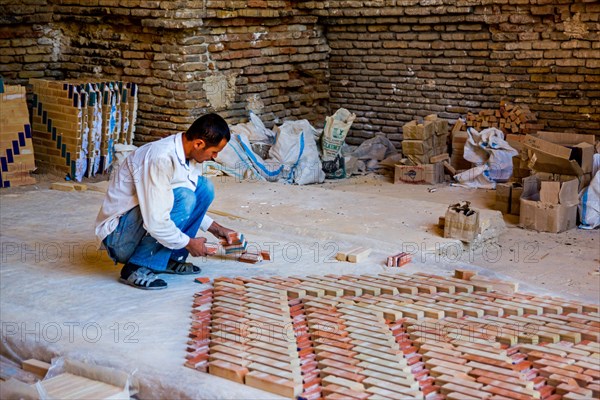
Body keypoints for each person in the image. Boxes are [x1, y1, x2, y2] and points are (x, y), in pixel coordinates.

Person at [95, 113, 235, 290]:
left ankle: (169, 258)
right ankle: (136, 267)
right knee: (185, 196)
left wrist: (217, 229)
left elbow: (180, 205)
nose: (214, 156)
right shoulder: (160, 158)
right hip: (119, 238)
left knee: (204, 188)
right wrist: (189, 243)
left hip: (142, 224)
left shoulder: (190, 156)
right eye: (214, 151)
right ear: (199, 143)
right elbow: (156, 220)